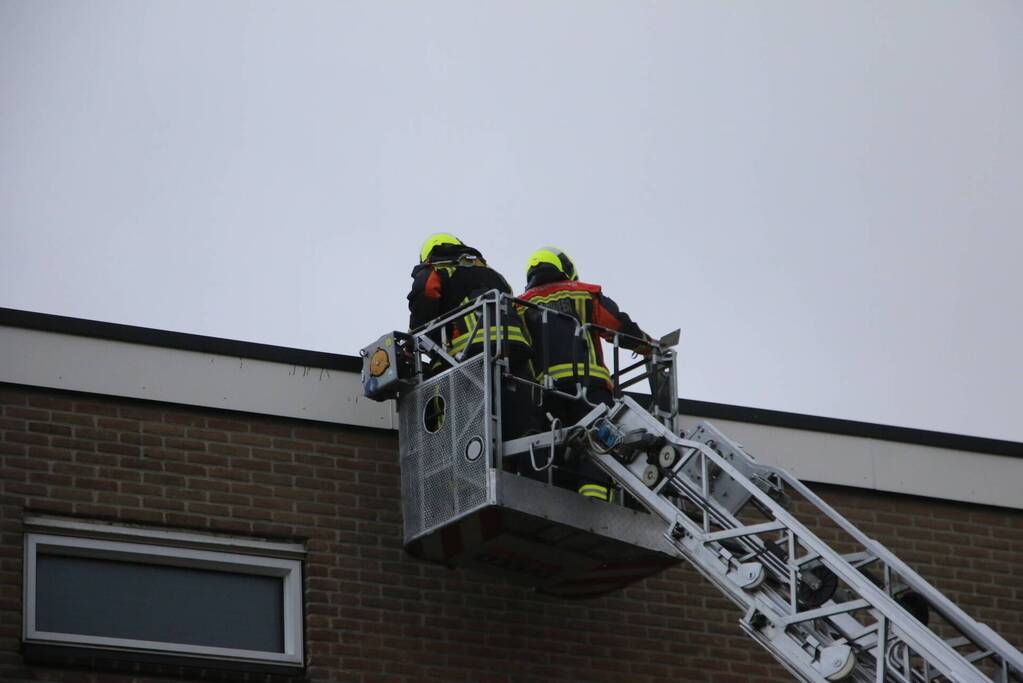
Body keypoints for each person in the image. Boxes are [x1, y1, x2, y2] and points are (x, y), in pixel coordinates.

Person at [518, 246, 654, 501]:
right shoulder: (584, 293)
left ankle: (560, 498)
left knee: (556, 445)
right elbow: (619, 326)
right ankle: (596, 498)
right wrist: (649, 346)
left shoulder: (519, 306)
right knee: (599, 443)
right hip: (590, 388)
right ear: (565, 268)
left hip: (545, 394)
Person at [408, 233, 539, 446]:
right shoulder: (494, 274)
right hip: (513, 346)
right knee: (516, 411)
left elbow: (427, 293)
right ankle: (527, 450)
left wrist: (414, 335)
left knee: (457, 409)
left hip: (469, 348)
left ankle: (461, 446)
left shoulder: (437, 270)